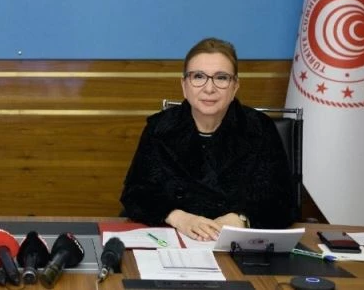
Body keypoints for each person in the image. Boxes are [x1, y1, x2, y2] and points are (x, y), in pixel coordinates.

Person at [120, 38, 294, 240]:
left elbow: (283, 201)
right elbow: (135, 194)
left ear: (235, 86)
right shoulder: (160, 128)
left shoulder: (260, 128)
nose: (209, 88)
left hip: (236, 242)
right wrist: (179, 218)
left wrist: (241, 218)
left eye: (221, 78)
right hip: (176, 240)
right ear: (184, 85)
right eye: (198, 76)